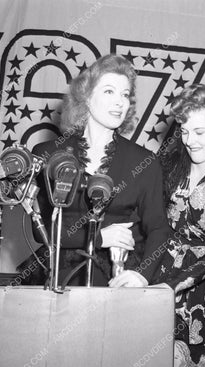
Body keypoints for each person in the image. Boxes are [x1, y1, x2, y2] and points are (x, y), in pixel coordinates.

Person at [111, 83, 205, 367]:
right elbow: (150, 226)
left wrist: (170, 285)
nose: (190, 141)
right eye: (185, 132)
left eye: (199, 132)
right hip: (160, 293)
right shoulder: (169, 170)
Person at [31, 54, 170, 286]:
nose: (119, 102)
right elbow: (40, 229)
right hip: (57, 276)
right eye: (109, 91)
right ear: (85, 97)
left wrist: (142, 275)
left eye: (125, 95)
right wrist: (98, 236)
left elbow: (159, 229)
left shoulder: (144, 162)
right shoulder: (48, 153)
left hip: (116, 280)